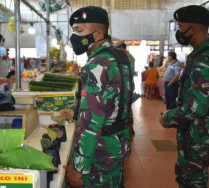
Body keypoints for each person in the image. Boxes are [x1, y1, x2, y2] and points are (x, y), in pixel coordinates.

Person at [64, 6, 134, 187]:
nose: (74, 36)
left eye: (79, 30)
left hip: (99, 151)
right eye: (73, 31)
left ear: (97, 34)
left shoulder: (97, 65)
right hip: (117, 144)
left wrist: (78, 168)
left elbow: (90, 123)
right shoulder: (119, 58)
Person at [159, 5, 209, 187]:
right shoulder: (207, 54)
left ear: (193, 28)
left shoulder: (203, 59)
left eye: (181, 27)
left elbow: (197, 107)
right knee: (190, 176)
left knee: (191, 180)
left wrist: (168, 116)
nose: (179, 32)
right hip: (201, 128)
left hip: (199, 131)